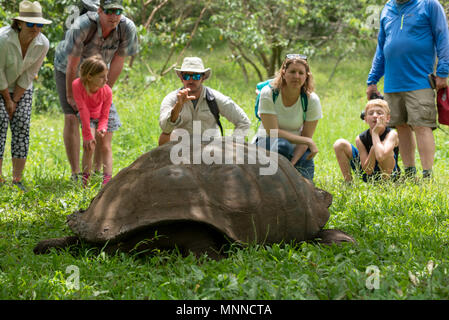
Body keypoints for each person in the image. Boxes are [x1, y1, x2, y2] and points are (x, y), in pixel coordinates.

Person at [54, 0, 138, 181]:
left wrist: (104, 89)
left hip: (98, 73)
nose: (113, 16)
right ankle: (76, 173)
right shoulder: (82, 25)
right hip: (68, 69)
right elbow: (72, 64)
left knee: (101, 119)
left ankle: (98, 170)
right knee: (71, 116)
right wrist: (70, 95)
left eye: (118, 11)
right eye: (109, 11)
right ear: (99, 11)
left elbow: (118, 60)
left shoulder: (126, 28)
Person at [366, 0, 449, 180]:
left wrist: (443, 70)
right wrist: (372, 79)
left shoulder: (429, 5)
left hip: (419, 80)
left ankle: (427, 175)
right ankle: (410, 174)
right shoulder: (387, 8)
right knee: (401, 126)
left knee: (422, 125)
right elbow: (381, 47)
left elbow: (443, 36)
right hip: (392, 82)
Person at [0, 0, 51, 191]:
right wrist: (7, 99)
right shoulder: (3, 39)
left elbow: (30, 74)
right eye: (31, 24)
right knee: (0, 122)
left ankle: (17, 179)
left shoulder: (42, 43)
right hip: (0, 84)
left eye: (39, 24)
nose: (36, 28)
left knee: (21, 125)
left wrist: (14, 100)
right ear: (20, 23)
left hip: (22, 88)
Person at [253, 54, 322, 182]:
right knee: (282, 146)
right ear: (283, 73)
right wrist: (308, 142)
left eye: (301, 73)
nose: (296, 76)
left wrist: (292, 165)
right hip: (268, 143)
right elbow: (272, 132)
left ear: (307, 76)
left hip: (298, 149)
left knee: (306, 186)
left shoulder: (311, 100)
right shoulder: (269, 93)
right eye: (292, 72)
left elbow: (305, 137)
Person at [159, 57, 251, 144]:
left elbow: (244, 122)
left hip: (211, 151)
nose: (191, 80)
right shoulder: (171, 99)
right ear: (181, 79)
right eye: (186, 76)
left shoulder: (215, 98)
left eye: (196, 76)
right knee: (163, 138)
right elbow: (166, 129)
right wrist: (178, 105)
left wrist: (230, 146)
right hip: (180, 149)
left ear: (203, 78)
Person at [333, 99, 400, 183]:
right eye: (371, 113)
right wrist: (372, 151)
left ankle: (385, 185)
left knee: (385, 151)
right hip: (368, 173)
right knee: (339, 143)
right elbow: (368, 170)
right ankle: (348, 183)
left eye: (379, 113)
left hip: (389, 175)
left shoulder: (392, 134)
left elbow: (381, 156)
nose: (375, 116)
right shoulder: (360, 138)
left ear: (387, 118)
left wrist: (375, 134)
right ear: (365, 119)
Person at [72, 55, 112, 186]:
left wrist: (102, 127)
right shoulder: (77, 85)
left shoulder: (107, 91)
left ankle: (107, 183)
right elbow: (83, 109)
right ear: (89, 77)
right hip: (87, 115)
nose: (106, 79)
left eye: (106, 75)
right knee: (89, 147)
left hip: (105, 115)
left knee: (105, 146)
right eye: (101, 76)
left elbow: (105, 114)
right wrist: (88, 135)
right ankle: (85, 183)